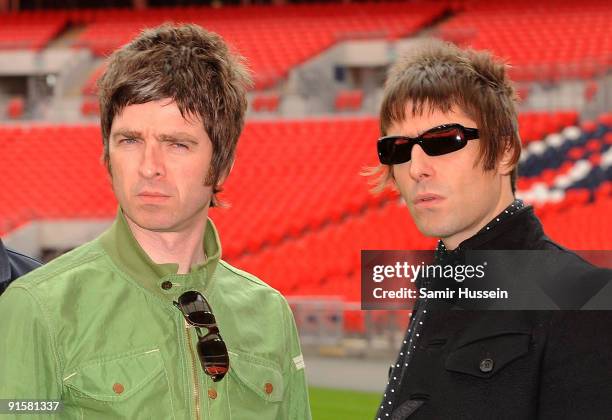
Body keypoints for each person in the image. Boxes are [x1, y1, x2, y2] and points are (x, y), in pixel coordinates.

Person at [0, 24, 310, 420]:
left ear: (223, 163)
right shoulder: (37, 307)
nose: (149, 167)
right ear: (107, 153)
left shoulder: (269, 312)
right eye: (129, 140)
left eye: (177, 144)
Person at [371, 39, 612, 419]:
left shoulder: (583, 300)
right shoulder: (440, 287)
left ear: (504, 152)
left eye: (442, 141)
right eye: (398, 148)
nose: (416, 168)